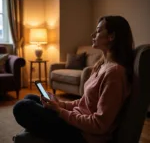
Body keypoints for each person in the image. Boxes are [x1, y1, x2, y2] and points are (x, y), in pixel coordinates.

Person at [13, 15, 134, 143]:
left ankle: (31, 137)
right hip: (76, 121)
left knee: (21, 107)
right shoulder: (101, 65)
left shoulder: (114, 73)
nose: (93, 34)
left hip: (84, 134)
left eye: (98, 31)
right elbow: (84, 103)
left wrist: (60, 112)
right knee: (30, 98)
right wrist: (60, 104)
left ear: (111, 36)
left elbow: (99, 125)